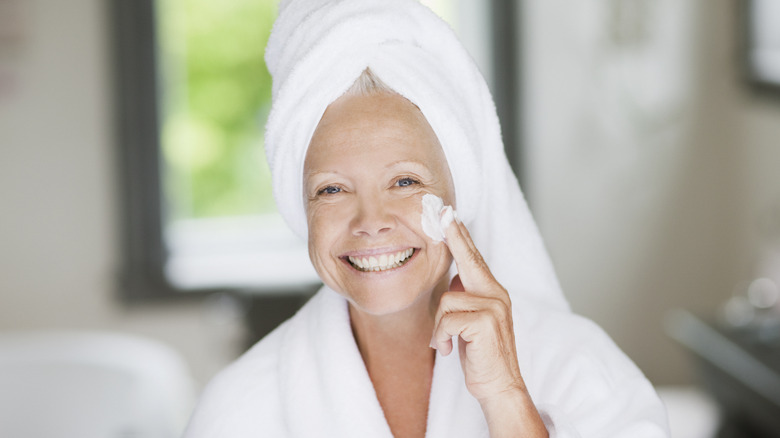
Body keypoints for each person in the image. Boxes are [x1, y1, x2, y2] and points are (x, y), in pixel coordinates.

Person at [183, 1, 670, 437]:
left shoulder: (579, 369)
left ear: (458, 193)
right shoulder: (239, 409)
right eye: (331, 189)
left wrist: (506, 400)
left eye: (405, 182)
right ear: (301, 209)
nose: (371, 221)